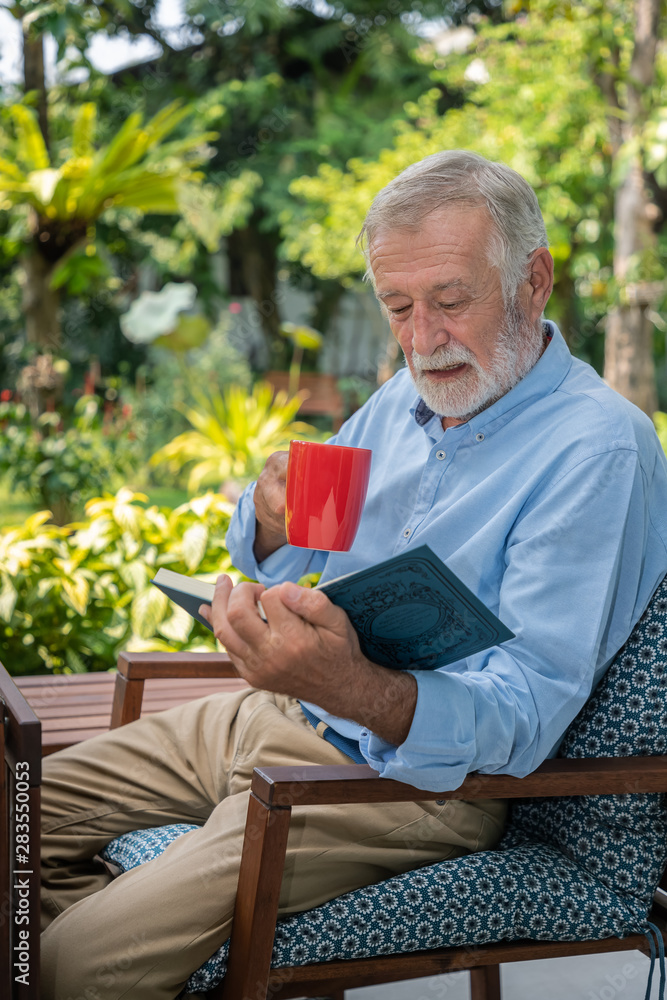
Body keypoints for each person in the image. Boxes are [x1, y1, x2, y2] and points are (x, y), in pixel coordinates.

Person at [41, 150, 667, 1000]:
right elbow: (306, 561)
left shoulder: (595, 448)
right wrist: (265, 522)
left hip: (411, 788)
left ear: (534, 280)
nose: (420, 340)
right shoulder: (400, 403)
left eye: (449, 302)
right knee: (17, 816)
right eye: (397, 308)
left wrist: (351, 685)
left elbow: (521, 710)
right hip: (273, 717)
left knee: (69, 966)